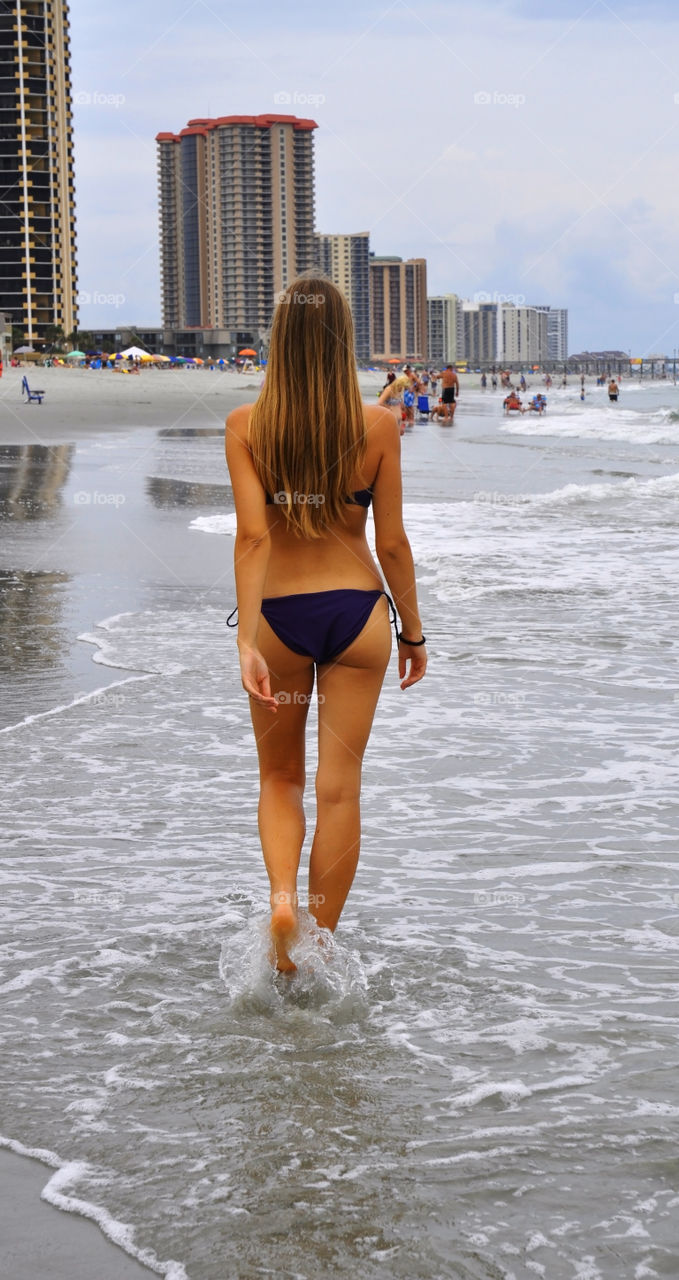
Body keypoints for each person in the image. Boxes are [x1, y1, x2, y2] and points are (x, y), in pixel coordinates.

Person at [224, 276, 427, 973]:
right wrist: (413, 633)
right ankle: (309, 950)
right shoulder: (377, 427)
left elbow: (252, 538)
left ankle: (282, 900)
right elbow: (394, 543)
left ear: (279, 339)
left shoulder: (246, 426)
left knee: (279, 778)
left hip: (280, 617)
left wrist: (247, 636)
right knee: (340, 786)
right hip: (358, 616)